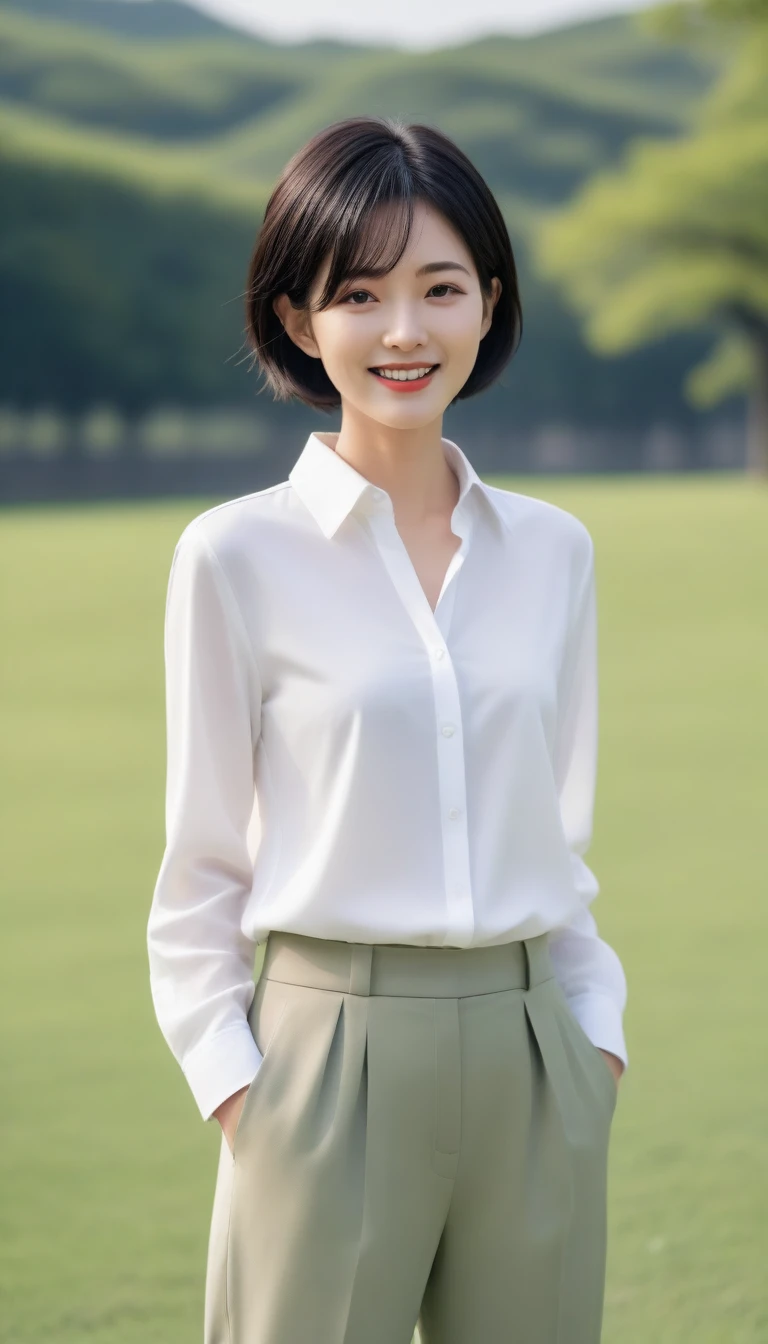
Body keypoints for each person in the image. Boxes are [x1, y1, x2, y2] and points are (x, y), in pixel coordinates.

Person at [146, 115, 628, 1344]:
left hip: (533, 1057)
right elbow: (201, 862)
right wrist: (241, 1091)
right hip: (322, 1060)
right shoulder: (232, 555)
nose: (404, 330)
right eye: (358, 294)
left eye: (440, 288)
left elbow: (556, 827)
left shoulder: (554, 554)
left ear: (488, 306)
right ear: (301, 323)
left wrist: (592, 1044)